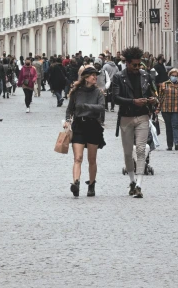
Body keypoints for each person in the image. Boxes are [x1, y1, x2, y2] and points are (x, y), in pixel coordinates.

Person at [113, 46, 157, 199]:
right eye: (135, 65)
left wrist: (152, 100)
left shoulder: (145, 76)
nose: (138, 68)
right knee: (127, 153)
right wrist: (133, 101)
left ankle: (139, 184)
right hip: (126, 118)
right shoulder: (119, 77)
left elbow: (153, 93)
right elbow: (115, 98)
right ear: (127, 63)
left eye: (139, 65)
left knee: (140, 149)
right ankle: (131, 181)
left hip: (143, 116)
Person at [65, 67, 106, 197]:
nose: (95, 78)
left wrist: (87, 106)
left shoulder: (98, 92)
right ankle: (76, 183)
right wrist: (67, 121)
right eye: (93, 75)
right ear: (86, 77)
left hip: (93, 126)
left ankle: (92, 184)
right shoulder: (76, 92)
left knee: (92, 159)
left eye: (96, 75)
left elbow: (101, 108)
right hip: (79, 125)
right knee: (78, 158)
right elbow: (69, 109)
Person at [158, 67, 178, 151]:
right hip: (166, 108)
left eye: (176, 75)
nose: (174, 77)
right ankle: (169, 144)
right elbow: (160, 97)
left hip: (176, 108)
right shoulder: (164, 84)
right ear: (169, 75)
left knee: (175, 125)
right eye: (173, 75)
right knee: (168, 127)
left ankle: (177, 143)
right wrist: (158, 108)